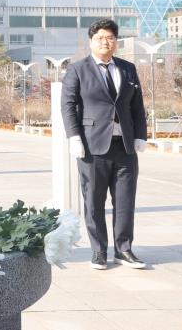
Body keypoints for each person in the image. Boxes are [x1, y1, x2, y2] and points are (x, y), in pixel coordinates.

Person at [61, 18, 147, 270]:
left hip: (125, 146)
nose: (105, 42)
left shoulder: (128, 68)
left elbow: (137, 106)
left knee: (125, 200)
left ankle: (124, 249)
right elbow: (67, 106)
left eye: (110, 38)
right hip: (92, 146)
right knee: (94, 201)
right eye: (100, 38)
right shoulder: (78, 70)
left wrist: (141, 134)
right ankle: (98, 251)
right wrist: (74, 137)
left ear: (116, 42)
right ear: (91, 41)